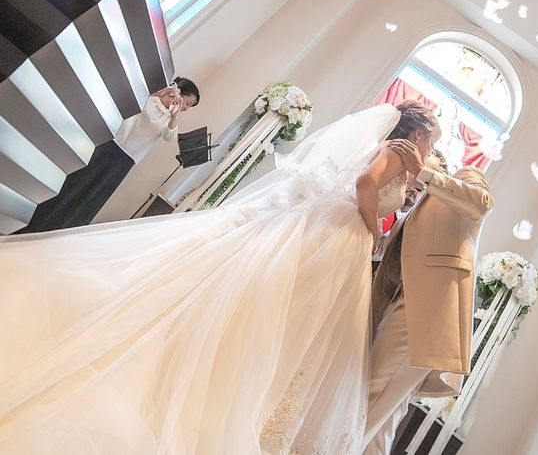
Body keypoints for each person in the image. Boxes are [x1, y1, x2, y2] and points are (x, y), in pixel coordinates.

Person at [0, 101, 438, 454]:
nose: (431, 147)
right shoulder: (396, 153)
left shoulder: (395, 154)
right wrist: (372, 231)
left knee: (292, 318)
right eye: (431, 139)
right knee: (288, 315)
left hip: (339, 237)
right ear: (416, 134)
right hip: (342, 235)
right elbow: (365, 186)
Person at [363, 140, 493, 454]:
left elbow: (482, 202)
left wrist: (423, 172)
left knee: (368, 402)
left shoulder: (466, 177)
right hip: (399, 308)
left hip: (422, 315)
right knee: (384, 419)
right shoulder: (411, 213)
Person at [18, 76, 200, 233]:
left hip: (126, 160)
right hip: (111, 144)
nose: (186, 108)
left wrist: (175, 116)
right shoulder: (152, 97)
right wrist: (158, 94)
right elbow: (131, 100)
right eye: (188, 103)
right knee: (74, 183)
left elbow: (170, 136)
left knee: (92, 196)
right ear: (179, 92)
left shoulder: (170, 118)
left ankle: (61, 229)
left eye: (190, 106)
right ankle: (33, 223)